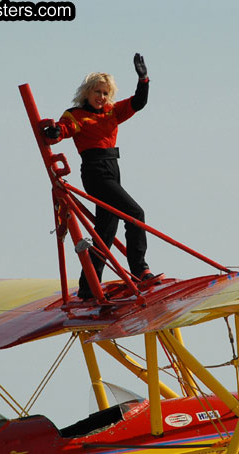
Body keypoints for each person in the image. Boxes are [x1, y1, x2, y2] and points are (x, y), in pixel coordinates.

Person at [43, 53, 156, 299]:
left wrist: (143, 79)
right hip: (95, 173)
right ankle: (140, 270)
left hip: (113, 169)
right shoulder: (76, 114)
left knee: (105, 232)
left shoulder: (111, 112)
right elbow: (64, 130)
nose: (101, 97)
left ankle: (88, 287)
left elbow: (138, 102)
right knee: (135, 213)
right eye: (97, 92)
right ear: (87, 92)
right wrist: (54, 132)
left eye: (105, 93)